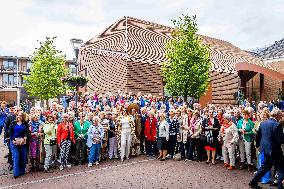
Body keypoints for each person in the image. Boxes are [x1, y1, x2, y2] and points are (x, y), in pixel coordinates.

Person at [249, 108, 284, 189]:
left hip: (265, 150)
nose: (281, 117)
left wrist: (258, 146)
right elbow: (281, 140)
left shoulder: (263, 123)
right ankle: (280, 187)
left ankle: (253, 182)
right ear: (277, 115)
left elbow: (258, 135)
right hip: (275, 151)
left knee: (264, 168)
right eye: (280, 115)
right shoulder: (277, 125)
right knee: (281, 169)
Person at [9, 112, 29, 178]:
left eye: (20, 115)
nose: (19, 116)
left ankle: (22, 171)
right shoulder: (13, 123)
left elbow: (27, 132)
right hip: (14, 142)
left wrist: (24, 138)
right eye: (18, 115)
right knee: (16, 156)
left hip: (23, 142)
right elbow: (10, 132)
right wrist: (13, 140)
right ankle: (16, 173)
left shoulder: (25, 124)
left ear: (23, 117)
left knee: (23, 157)